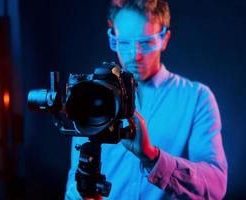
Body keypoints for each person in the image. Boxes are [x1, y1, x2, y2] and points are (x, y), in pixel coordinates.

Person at [65, 0, 228, 199]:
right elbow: (75, 181)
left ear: (164, 38)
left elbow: (215, 186)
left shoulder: (197, 99)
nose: (135, 55)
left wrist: (152, 157)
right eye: (123, 43)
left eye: (145, 42)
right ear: (113, 37)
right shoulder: (91, 95)